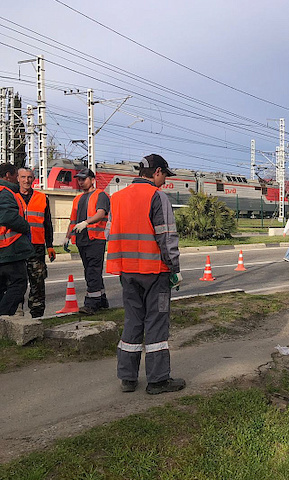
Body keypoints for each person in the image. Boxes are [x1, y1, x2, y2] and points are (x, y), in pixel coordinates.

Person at [106, 154, 185, 395]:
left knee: (132, 321)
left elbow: (109, 233)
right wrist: (174, 270)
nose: (164, 182)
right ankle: (158, 380)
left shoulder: (116, 198)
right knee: (156, 324)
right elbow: (166, 236)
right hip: (155, 273)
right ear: (158, 172)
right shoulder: (157, 197)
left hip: (127, 272)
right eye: (165, 176)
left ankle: (128, 378)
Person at [64, 168, 110, 314]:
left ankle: (92, 304)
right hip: (82, 240)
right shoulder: (77, 198)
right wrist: (67, 236)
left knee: (92, 271)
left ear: (92, 180)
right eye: (79, 179)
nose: (81, 182)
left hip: (95, 239)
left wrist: (86, 223)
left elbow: (101, 213)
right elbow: (72, 219)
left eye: (84, 179)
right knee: (90, 271)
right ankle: (101, 299)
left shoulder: (101, 195)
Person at [17, 167, 56, 318]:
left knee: (38, 282)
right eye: (23, 177)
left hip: (36, 246)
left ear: (33, 179)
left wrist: (50, 245)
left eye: (29, 177)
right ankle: (16, 313)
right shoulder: (11, 197)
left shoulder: (42, 198)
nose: (26, 180)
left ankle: (37, 315)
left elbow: (47, 224)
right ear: (18, 179)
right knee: (16, 281)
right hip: (17, 246)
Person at [0, 163, 33, 316]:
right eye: (15, 175)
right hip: (9, 247)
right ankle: (4, 318)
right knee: (19, 283)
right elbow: (7, 216)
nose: (17, 180)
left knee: (1, 286)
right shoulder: (5, 192)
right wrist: (26, 226)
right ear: (8, 175)